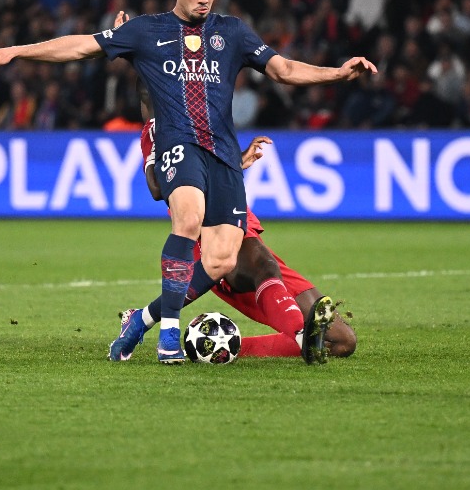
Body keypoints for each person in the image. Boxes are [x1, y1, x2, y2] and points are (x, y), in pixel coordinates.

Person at [0, 0, 374, 364]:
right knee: (196, 222)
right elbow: (80, 46)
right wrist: (16, 50)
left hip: (224, 156)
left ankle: (144, 321)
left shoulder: (232, 32)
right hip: (180, 145)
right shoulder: (148, 31)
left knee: (222, 260)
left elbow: (284, 70)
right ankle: (170, 339)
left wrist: (337, 73)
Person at [113, 116, 357, 364]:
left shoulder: (206, 103)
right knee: (264, 264)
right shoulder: (160, 124)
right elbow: (158, 188)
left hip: (235, 205)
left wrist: (237, 160)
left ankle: (216, 346)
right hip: (209, 221)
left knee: (343, 341)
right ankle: (300, 336)